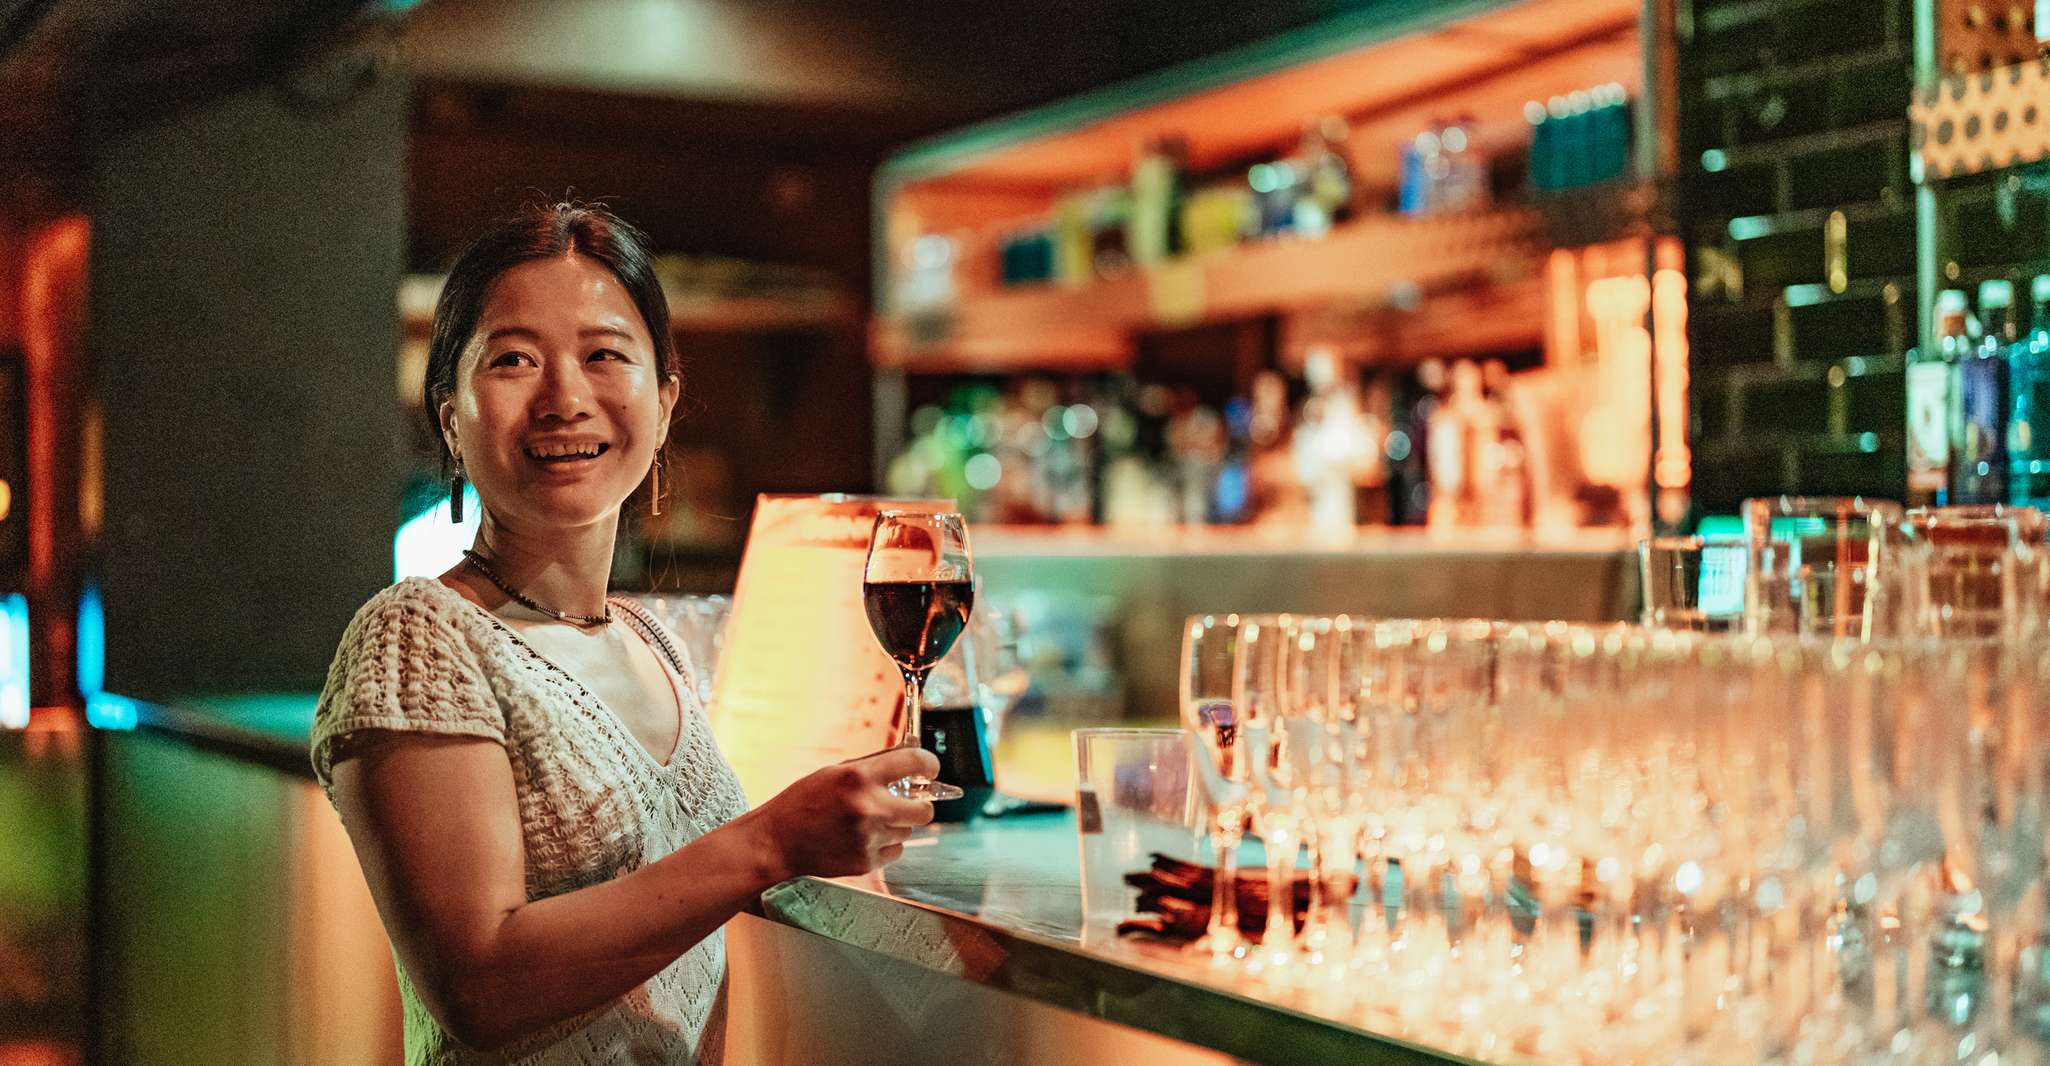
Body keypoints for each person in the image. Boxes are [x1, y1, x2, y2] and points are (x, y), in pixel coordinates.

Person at [309, 201, 936, 1065]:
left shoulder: (651, 642)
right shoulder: (417, 638)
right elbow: (478, 988)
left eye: (604, 354)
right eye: (514, 361)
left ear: (666, 398)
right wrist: (772, 841)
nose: (565, 398)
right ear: (451, 415)